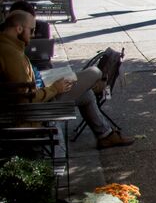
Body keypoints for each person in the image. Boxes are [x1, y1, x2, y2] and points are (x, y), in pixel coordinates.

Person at [0, 10, 134, 149]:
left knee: (86, 95)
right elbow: (26, 99)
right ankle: (100, 83)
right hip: (33, 111)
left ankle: (106, 136)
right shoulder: (11, 54)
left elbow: (25, 90)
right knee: (94, 72)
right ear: (19, 28)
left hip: (38, 95)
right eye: (32, 30)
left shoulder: (9, 47)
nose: (33, 35)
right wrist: (55, 89)